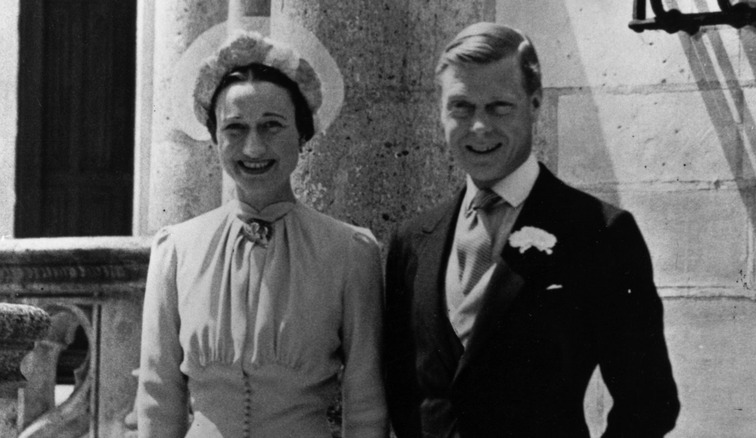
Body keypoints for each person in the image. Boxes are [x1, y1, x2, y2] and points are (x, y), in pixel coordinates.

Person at [384, 22, 680, 437]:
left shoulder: (599, 232)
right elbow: (402, 389)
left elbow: (649, 401)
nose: (479, 127)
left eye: (499, 107)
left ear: (535, 104)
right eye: (461, 107)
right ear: (441, 111)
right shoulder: (412, 240)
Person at [136, 31, 387, 438]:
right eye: (235, 128)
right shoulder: (176, 249)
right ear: (215, 138)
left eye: (272, 126)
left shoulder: (349, 251)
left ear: (302, 136)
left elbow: (366, 402)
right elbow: (157, 396)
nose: (253, 147)